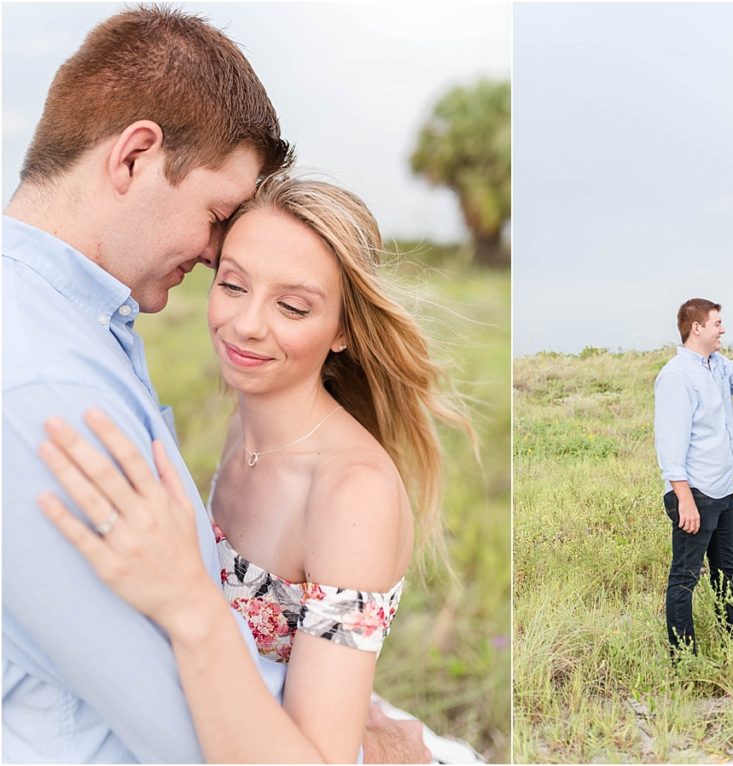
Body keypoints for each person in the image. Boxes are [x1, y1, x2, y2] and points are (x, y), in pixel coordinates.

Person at [2, 8, 425, 762]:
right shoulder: (47, 389)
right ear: (133, 158)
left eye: (292, 304)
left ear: (341, 328)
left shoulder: (92, 332)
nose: (210, 259)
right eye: (226, 258)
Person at [38, 173, 474, 762]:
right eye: (234, 284)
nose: (246, 324)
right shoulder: (245, 421)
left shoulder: (354, 494)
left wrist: (187, 599)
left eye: (292, 306)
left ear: (344, 329)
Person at [653, 298, 733, 657]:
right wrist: (684, 499)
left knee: (725, 573)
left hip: (723, 490)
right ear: (696, 327)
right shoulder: (676, 375)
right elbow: (670, 446)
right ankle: (683, 658)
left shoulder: (717, 366)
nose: (723, 329)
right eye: (717, 323)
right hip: (696, 493)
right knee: (685, 578)